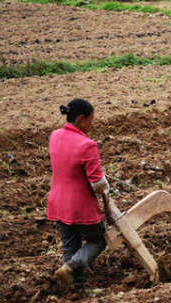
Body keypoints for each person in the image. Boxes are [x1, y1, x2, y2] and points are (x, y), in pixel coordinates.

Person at [47, 98, 109, 290]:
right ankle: (72, 266)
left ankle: (75, 288)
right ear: (81, 119)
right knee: (98, 240)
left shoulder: (55, 135)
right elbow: (97, 183)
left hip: (58, 202)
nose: (92, 124)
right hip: (79, 206)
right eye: (91, 120)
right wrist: (107, 184)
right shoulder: (87, 145)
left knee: (70, 246)